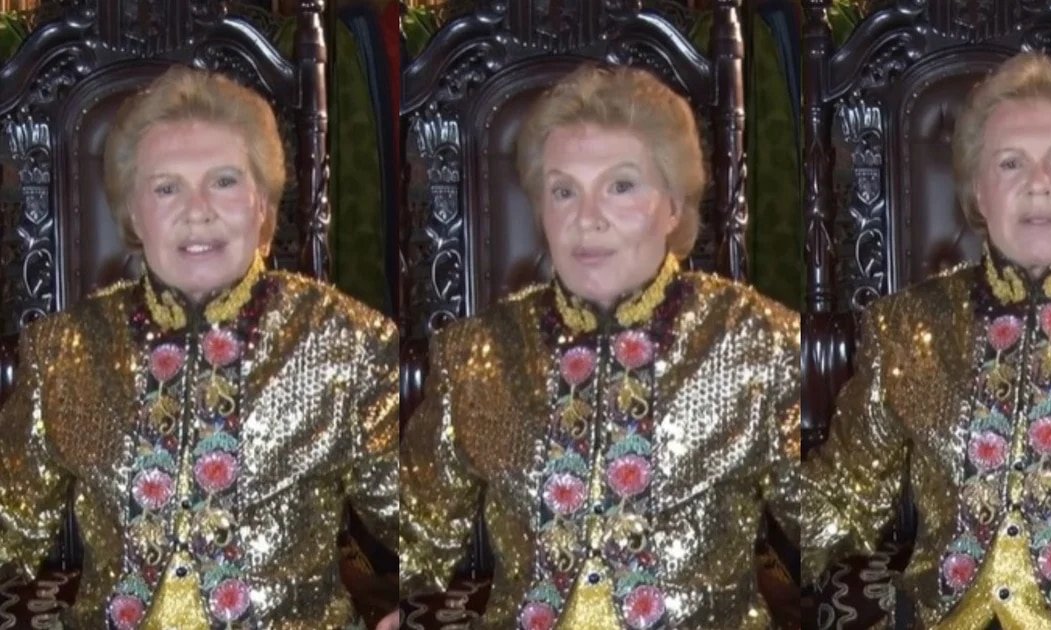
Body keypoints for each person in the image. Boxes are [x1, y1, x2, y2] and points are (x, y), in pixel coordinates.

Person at [375, 64, 804, 630]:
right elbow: (418, 525)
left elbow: (825, 515)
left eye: (621, 186)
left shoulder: (759, 342)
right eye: (563, 192)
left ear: (673, 206)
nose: (587, 219)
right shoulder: (478, 352)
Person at [799, 52, 1051, 629]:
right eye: (1011, 163)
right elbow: (840, 495)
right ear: (979, 195)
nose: (1039, 183)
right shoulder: (906, 327)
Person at [0, 66, 400, 628]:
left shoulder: (348, 342)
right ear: (133, 214)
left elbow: (420, 521)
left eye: (224, 181)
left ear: (262, 205)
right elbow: (11, 525)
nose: (197, 210)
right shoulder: (63, 350)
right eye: (166, 188)